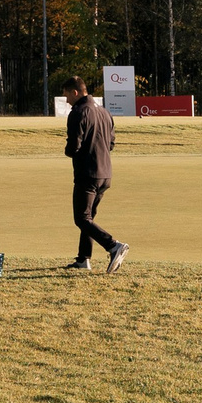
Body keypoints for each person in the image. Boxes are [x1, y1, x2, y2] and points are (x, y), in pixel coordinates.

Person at [62, 76, 127, 273]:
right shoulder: (105, 112)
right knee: (88, 218)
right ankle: (83, 259)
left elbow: (74, 146)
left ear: (75, 92)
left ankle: (113, 246)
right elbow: (111, 144)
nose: (66, 101)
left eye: (67, 96)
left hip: (87, 173)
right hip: (105, 173)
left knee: (81, 219)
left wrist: (69, 150)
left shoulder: (78, 112)